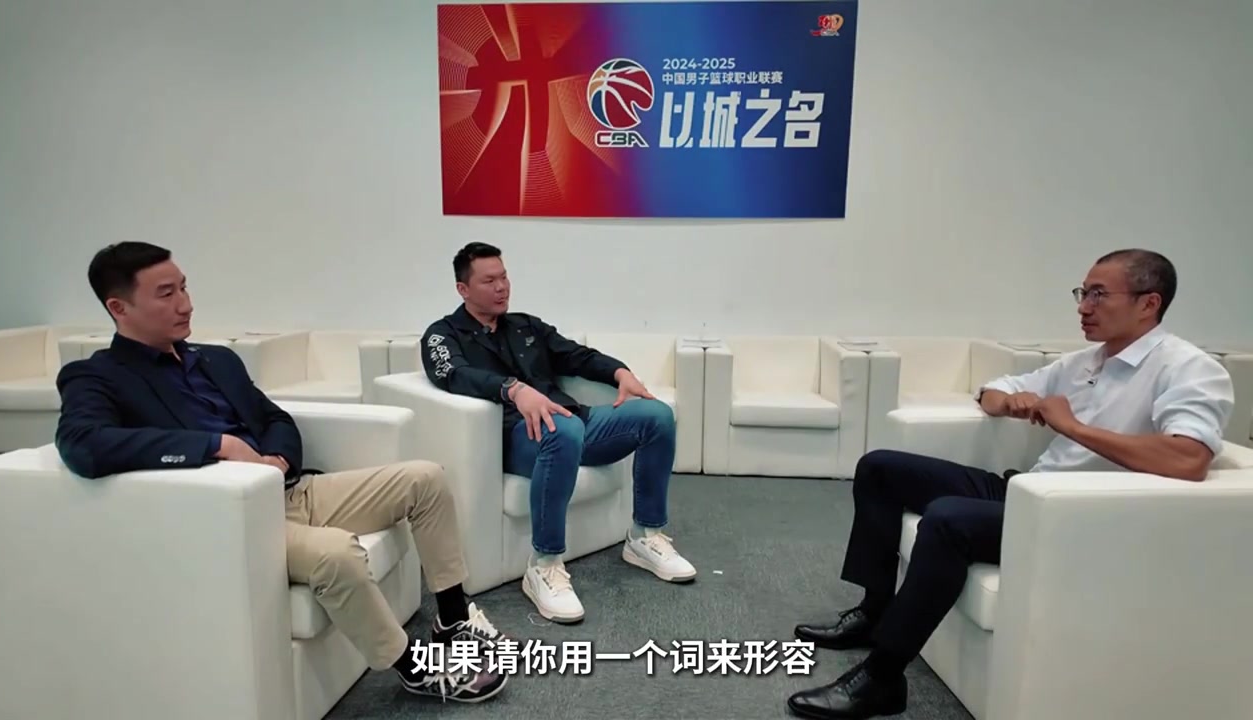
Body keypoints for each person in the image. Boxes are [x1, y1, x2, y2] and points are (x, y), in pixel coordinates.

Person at [786, 249, 1235, 719]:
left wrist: (1072, 427)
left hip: (1073, 515)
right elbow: (996, 386)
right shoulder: (1087, 361)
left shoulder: (1189, 369)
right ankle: (875, 610)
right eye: (1082, 294)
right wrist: (1005, 401)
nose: (1083, 307)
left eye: (1099, 295)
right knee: (880, 468)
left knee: (947, 519)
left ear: (1149, 303)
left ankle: (882, 677)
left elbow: (1188, 458)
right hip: (1027, 490)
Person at [55, 242, 509, 704]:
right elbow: (83, 445)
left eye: (184, 288)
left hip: (291, 488)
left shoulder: (215, 359)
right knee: (336, 553)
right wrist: (218, 446)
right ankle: (415, 670)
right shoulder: (95, 376)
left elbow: (275, 418)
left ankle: (452, 621)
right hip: (239, 519)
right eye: (166, 294)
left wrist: (277, 458)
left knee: (425, 478)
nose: (186, 304)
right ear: (119, 307)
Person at [421, 241, 697, 623]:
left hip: (572, 421)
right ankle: (544, 564)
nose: (501, 287)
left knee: (657, 415)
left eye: (504, 277)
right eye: (489, 281)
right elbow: (453, 375)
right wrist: (512, 389)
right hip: (514, 436)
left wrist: (620, 372)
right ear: (463, 289)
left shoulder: (526, 326)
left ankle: (645, 536)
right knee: (562, 430)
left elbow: (576, 355)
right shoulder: (442, 335)